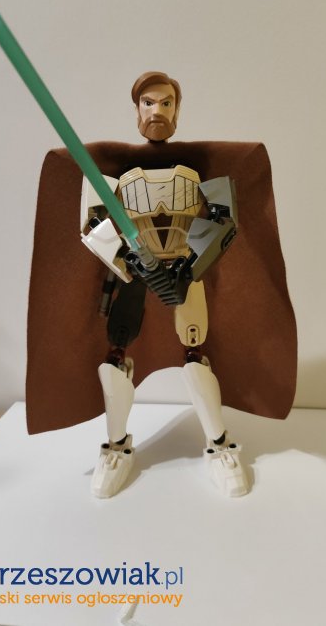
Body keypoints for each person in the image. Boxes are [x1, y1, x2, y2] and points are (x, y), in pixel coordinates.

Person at [81, 72, 248, 498]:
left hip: (184, 269)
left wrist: (189, 269)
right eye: (148, 102)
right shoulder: (115, 176)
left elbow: (223, 220)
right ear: (136, 109)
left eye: (166, 102)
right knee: (115, 356)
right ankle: (116, 446)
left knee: (194, 353)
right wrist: (127, 260)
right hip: (134, 272)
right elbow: (94, 226)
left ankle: (219, 444)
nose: (157, 110)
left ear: (177, 109)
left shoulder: (196, 170)